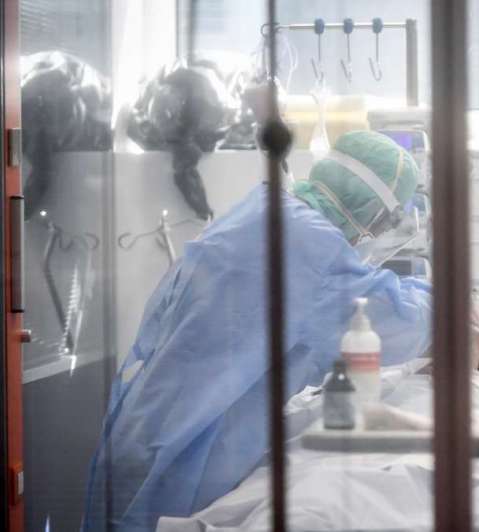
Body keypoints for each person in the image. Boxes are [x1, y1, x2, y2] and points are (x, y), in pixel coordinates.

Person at [84, 131, 432, 531]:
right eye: (386, 221)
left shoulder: (267, 211)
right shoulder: (311, 250)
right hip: (188, 459)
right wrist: (455, 306)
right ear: (370, 211)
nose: (380, 234)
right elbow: (396, 321)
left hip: (144, 430)